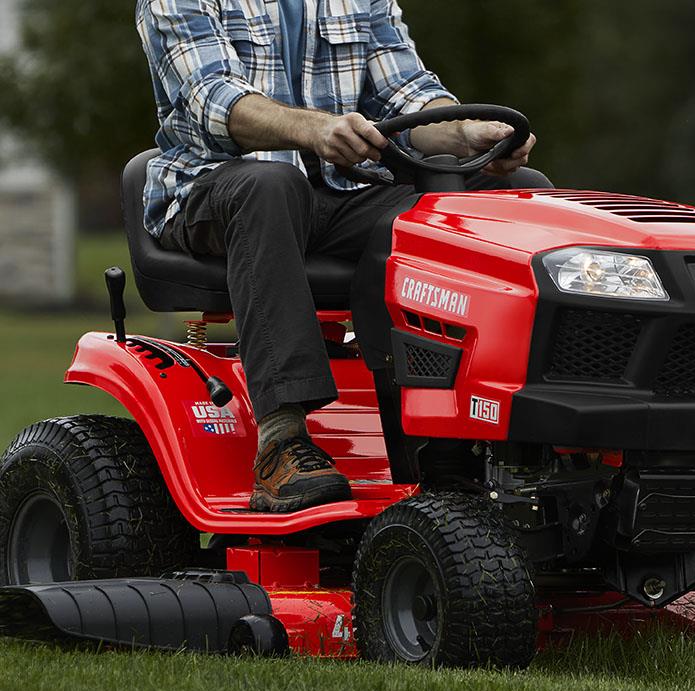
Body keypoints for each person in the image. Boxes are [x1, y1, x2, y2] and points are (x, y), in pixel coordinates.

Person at [136, 0, 541, 513]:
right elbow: (214, 101)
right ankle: (281, 440)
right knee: (269, 186)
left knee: (514, 195)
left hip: (344, 193)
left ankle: (459, 436)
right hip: (215, 187)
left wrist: (465, 134)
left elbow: (407, 96)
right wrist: (314, 129)